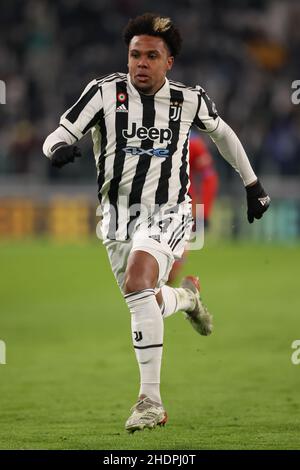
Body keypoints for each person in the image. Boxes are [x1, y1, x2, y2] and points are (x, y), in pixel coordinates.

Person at [42, 13, 270, 433]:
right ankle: (187, 300)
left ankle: (150, 402)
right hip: (115, 220)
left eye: (151, 56)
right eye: (134, 55)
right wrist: (56, 150)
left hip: (168, 212)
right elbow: (58, 133)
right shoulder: (104, 92)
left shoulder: (189, 100)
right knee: (144, 297)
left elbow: (224, 135)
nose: (140, 63)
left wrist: (252, 184)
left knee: (138, 281)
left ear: (169, 63)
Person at [167, 129, 219, 284]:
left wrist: (204, 213)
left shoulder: (194, 143)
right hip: (150, 204)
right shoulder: (148, 132)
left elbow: (209, 178)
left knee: (170, 271)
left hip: (181, 207)